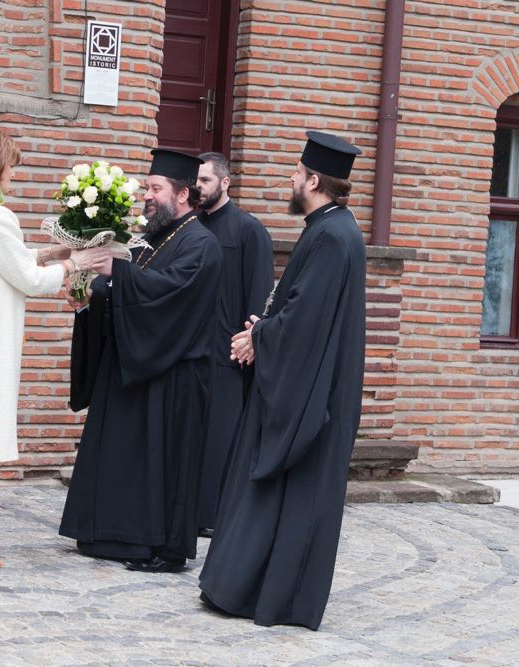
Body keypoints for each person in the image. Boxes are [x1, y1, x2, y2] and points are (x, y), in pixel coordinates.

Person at [198, 131, 367, 629]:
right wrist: (266, 331)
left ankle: (265, 596)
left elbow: (306, 322)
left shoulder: (335, 237)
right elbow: (296, 311)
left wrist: (261, 337)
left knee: (290, 494)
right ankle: (244, 588)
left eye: (297, 172)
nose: (291, 178)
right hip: (303, 380)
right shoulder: (328, 229)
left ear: (314, 180)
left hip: (313, 397)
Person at [0, 127, 110, 567]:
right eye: (10, 165)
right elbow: (27, 281)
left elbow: (1, 259)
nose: (14, 174)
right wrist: (75, 263)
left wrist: (49, 252)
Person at [59, 149, 223, 573]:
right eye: (146, 187)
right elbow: (130, 295)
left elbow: (168, 296)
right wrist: (89, 298)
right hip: (136, 365)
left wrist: (116, 273)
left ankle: (161, 547)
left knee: (161, 466)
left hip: (173, 376)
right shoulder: (152, 239)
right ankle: (110, 534)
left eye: (155, 189)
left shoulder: (202, 244)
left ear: (183, 194)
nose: (145, 196)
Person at [194, 152, 274, 536]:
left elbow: (258, 298)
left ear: (225, 183)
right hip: (190, 351)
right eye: (196, 181)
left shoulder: (249, 231)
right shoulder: (190, 226)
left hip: (228, 355)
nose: (198, 188)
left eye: (205, 181)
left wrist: (247, 344)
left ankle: (213, 518)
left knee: (221, 440)